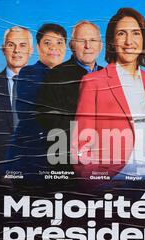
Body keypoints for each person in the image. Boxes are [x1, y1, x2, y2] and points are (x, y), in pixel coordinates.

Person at [71, 8, 145, 180]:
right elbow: (80, 143)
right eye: (121, 34)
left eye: (135, 33)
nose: (129, 41)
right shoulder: (93, 82)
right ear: (112, 41)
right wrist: (98, 183)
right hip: (115, 182)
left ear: (143, 39)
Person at [36, 21, 104, 168]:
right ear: (72, 45)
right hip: (70, 161)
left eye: (93, 40)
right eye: (81, 41)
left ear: (101, 45)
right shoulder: (55, 76)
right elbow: (49, 121)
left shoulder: (110, 76)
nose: (88, 46)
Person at [6, 23, 67, 179]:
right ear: (38, 48)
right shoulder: (30, 73)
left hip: (58, 153)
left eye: (59, 42)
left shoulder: (68, 75)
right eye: (48, 43)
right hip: (31, 155)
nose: (54, 47)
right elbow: (31, 114)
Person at [0, 26, 33, 179]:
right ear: (3, 49)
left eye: (22, 45)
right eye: (11, 45)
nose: (17, 50)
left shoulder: (45, 84)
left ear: (31, 50)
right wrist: (1, 172)